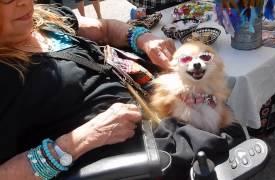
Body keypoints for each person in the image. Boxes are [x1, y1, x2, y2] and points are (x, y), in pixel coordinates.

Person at [0, 0, 176, 179]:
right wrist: (79, 141)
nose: (23, 2)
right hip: (147, 160)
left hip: (162, 113)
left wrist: (143, 38)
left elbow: (105, 29)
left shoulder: (43, 18)